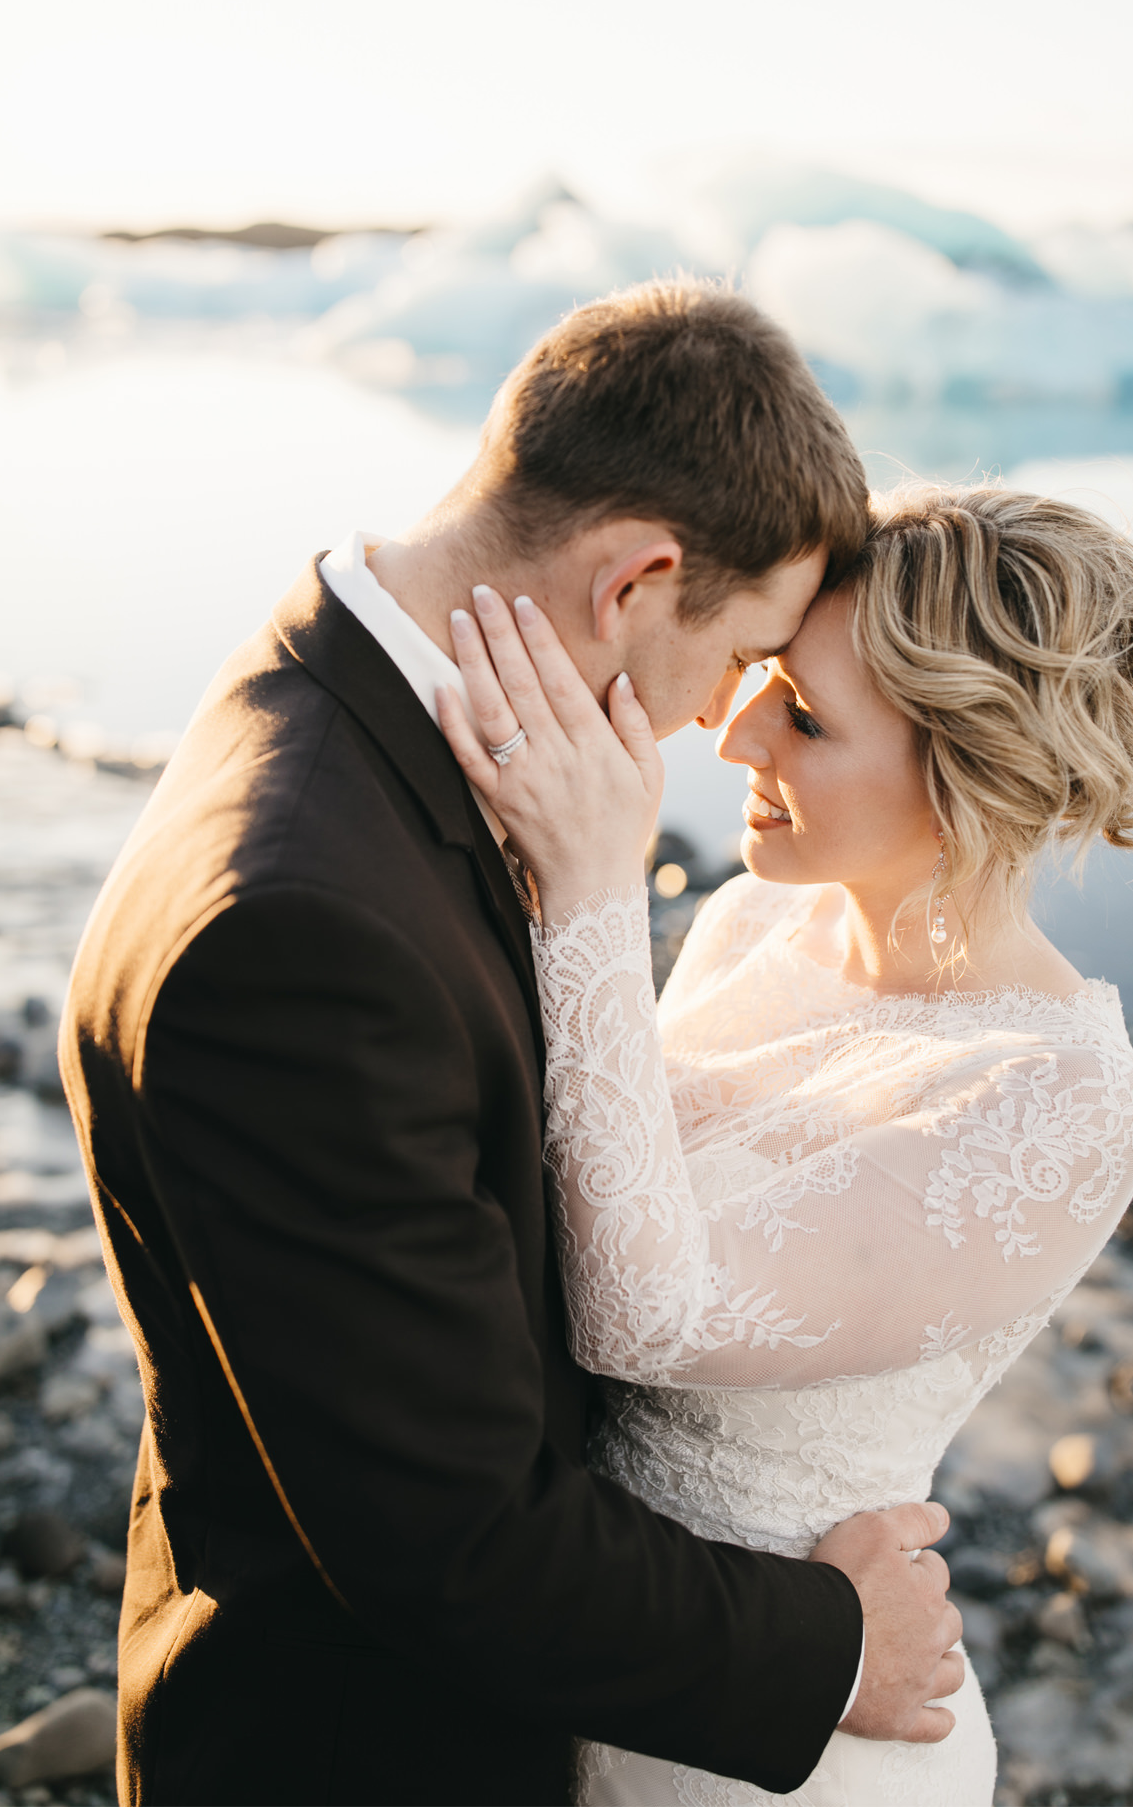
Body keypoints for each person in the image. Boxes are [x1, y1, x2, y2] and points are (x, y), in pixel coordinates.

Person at [59, 281, 963, 1805]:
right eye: (730, 655)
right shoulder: (301, 934)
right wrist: (825, 1642)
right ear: (636, 582)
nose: (708, 724)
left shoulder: (333, 683)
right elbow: (450, 1541)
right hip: (358, 1753)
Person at [433, 482, 1133, 1804]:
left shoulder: (1063, 1095)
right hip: (586, 1647)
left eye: (810, 717)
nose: (738, 732)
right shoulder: (755, 924)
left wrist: (592, 888)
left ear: (970, 775)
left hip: (793, 1739)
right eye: (767, 676)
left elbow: (640, 1316)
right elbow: (586, 1172)